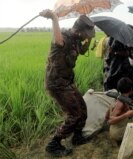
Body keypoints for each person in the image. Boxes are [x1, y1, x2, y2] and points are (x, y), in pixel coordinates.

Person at [39, 9, 95, 157]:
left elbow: (82, 51)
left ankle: (77, 137)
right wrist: (54, 18)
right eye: (86, 34)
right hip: (56, 83)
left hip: (67, 81)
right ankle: (54, 144)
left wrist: (89, 39)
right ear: (78, 30)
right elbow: (58, 41)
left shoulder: (77, 40)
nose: (86, 37)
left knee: (82, 108)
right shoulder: (63, 36)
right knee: (74, 114)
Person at [105, 77, 133, 142]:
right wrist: (126, 115)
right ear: (130, 90)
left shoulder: (116, 98)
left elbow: (107, 116)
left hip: (113, 131)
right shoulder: (121, 103)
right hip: (118, 134)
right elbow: (110, 121)